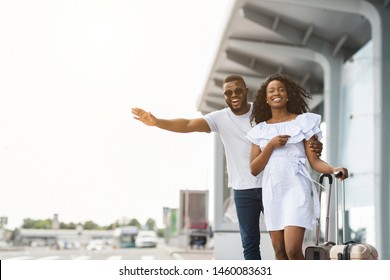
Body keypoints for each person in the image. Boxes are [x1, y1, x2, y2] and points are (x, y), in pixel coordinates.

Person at [131, 74, 323, 260]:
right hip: (243, 190)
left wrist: (314, 145)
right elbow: (188, 124)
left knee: (282, 247)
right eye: (228, 93)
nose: (234, 96)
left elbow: (290, 129)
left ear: (246, 91)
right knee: (249, 244)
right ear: (224, 96)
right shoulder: (219, 118)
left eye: (238, 91)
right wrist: (157, 122)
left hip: (271, 186)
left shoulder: (262, 112)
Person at [247, 73, 348, 260]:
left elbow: (315, 161)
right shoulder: (259, 130)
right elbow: (254, 169)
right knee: (279, 252)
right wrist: (270, 145)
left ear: (287, 95)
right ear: (266, 99)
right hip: (273, 192)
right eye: (271, 91)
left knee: (293, 250)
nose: (276, 93)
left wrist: (334, 169)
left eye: (281, 89)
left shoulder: (303, 122)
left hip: (296, 189)